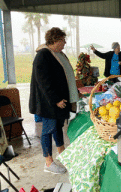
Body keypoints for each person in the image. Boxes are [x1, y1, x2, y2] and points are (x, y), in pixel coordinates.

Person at [29, 27, 80, 174]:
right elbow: (43, 82)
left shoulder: (56, 54)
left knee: (57, 127)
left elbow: (65, 76)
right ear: (55, 40)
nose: (64, 43)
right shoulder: (43, 55)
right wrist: (56, 99)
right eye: (63, 40)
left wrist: (74, 93)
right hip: (48, 103)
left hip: (58, 101)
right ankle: (48, 163)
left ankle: (62, 153)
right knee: (48, 130)